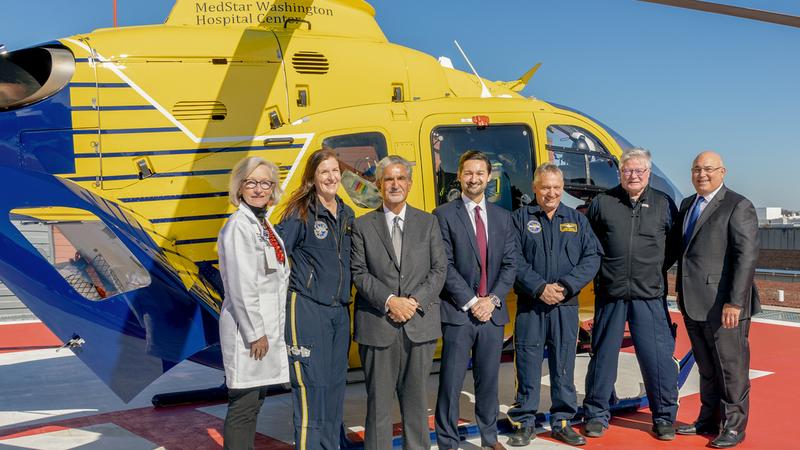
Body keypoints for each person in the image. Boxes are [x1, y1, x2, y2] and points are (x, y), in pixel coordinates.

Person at [582, 148, 680, 441]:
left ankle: (663, 417)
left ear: (648, 173)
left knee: (657, 359)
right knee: (603, 355)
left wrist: (650, 271)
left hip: (648, 295)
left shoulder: (663, 205)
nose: (633, 176)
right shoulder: (603, 203)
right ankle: (597, 413)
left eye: (639, 171)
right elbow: (591, 244)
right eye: (628, 171)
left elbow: (673, 246)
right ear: (620, 173)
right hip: (611, 293)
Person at [350, 155, 447, 449]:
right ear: (379, 185)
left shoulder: (428, 222)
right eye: (388, 179)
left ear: (410, 184)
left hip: (419, 325)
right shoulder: (363, 225)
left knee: (416, 404)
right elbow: (359, 272)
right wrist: (391, 300)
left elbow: (439, 269)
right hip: (379, 326)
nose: (395, 184)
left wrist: (414, 302)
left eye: (400, 178)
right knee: (378, 405)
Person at [507, 163, 601, 447]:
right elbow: (513, 259)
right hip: (531, 306)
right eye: (545, 187)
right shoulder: (520, 219)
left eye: (556, 188)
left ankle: (562, 420)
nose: (551, 193)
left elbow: (592, 257)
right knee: (527, 362)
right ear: (535, 188)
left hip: (565, 305)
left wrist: (566, 287)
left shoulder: (577, 220)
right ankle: (524, 421)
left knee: (563, 363)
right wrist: (539, 288)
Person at [674, 151, 759, 449]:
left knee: (731, 368)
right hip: (692, 301)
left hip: (725, 306)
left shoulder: (738, 205)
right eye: (697, 169)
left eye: (709, 169)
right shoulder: (687, 205)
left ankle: (734, 426)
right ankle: (708, 419)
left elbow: (745, 257)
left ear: (723, 172)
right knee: (706, 366)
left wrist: (735, 303)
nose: (702, 174)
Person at [433, 150, 517, 450]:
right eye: (468, 173)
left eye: (480, 173)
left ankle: (489, 437)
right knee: (451, 382)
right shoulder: (443, 215)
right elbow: (445, 265)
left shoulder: (503, 218)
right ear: (459, 176)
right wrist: (472, 301)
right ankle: (447, 441)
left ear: (489, 177)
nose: (474, 178)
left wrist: (491, 300)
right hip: (459, 313)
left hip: (492, 315)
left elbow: (510, 265)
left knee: (488, 381)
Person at [276, 149, 355, 450]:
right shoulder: (301, 212)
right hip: (307, 309)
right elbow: (277, 254)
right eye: (325, 172)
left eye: (335, 171)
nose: (332, 177)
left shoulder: (345, 213)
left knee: (335, 386)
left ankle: (333, 445)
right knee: (311, 387)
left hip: (339, 311)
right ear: (312, 177)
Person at [217, 156, 290, 450]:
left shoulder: (263, 223)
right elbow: (240, 284)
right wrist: (254, 332)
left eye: (265, 183)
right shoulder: (238, 227)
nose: (258, 189)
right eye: (251, 182)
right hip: (249, 334)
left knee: (255, 401)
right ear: (240, 187)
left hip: (265, 330)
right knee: (244, 406)